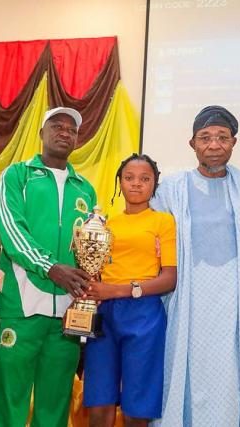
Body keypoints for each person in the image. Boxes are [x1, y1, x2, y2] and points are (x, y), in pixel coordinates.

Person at [150, 106, 240, 426]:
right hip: (188, 296)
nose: (214, 144)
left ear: (234, 143)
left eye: (222, 137)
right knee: (187, 366)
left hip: (235, 295)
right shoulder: (171, 188)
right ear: (192, 144)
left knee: (234, 370)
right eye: (205, 137)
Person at [0, 107, 97, 427]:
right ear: (42, 133)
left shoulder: (85, 189)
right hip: (21, 305)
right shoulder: (17, 175)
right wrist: (50, 267)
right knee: (10, 396)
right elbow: (11, 231)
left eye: (72, 129)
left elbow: (89, 248)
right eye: (57, 126)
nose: (65, 132)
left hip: (67, 310)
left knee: (55, 400)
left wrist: (84, 292)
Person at [83, 154, 177, 426]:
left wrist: (117, 291)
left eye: (145, 179)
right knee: (99, 400)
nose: (136, 184)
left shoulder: (164, 222)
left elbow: (169, 279)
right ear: (119, 182)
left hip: (144, 313)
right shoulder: (104, 224)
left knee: (138, 405)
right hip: (103, 315)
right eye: (129, 178)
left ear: (154, 184)